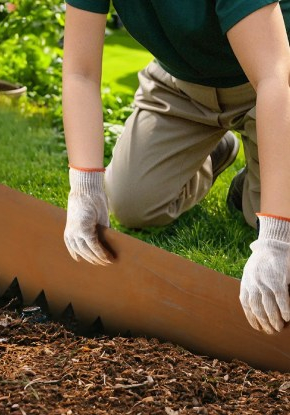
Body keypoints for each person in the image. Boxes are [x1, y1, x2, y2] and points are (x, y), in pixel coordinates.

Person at [62, 0, 290, 335]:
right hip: (181, 86)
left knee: (263, 212)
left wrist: (276, 237)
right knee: (130, 202)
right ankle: (214, 154)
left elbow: (274, 77)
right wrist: (84, 185)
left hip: (272, 81)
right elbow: (79, 72)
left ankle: (252, 184)